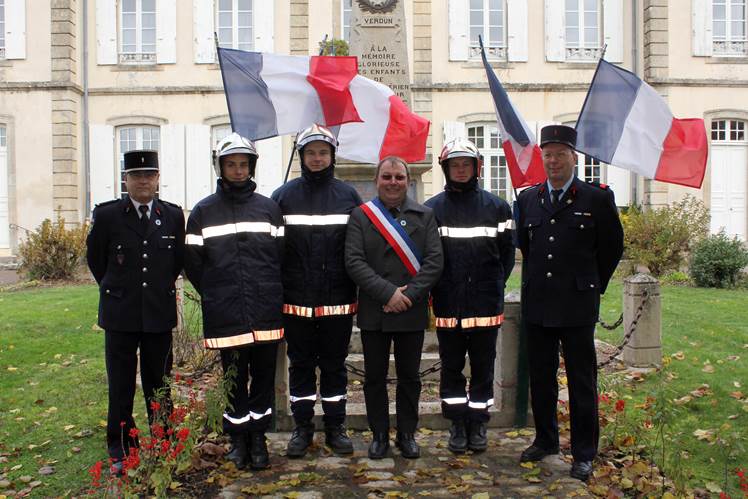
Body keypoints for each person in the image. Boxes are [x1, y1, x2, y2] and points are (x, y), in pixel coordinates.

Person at [516, 125, 624, 481]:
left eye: (560, 154)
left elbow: (611, 248)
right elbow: (527, 247)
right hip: (539, 304)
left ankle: (583, 453)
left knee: (581, 382)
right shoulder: (528, 199)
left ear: (573, 157)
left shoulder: (596, 199)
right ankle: (546, 440)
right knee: (541, 378)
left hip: (577, 305)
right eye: (548, 155)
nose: (553, 161)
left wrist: (590, 284)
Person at [184, 133, 284, 471]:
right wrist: (216, 291)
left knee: (263, 378)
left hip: (265, 309)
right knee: (234, 378)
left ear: (251, 167)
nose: (238, 170)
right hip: (226, 310)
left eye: (243, 164)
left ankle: (259, 439)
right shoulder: (203, 212)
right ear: (221, 168)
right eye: (231, 164)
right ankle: (238, 439)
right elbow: (193, 263)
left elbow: (280, 257)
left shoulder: (269, 209)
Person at [86, 150, 185, 474]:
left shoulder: (172, 216)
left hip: (158, 312)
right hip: (120, 314)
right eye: (136, 175)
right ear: (125, 180)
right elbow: (97, 261)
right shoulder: (108, 216)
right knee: (121, 384)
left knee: (160, 384)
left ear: (157, 179)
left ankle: (164, 439)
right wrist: (117, 289)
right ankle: (121, 447)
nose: (143, 181)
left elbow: (176, 262)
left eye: (149, 175)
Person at [271, 124, 362, 458]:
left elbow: (357, 249)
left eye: (323, 152)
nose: (317, 158)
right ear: (301, 156)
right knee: (301, 367)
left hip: (337, 301)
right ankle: (302, 428)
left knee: (335, 367)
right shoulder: (283, 197)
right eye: (311, 153)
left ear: (332, 156)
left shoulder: (348, 196)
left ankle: (336, 428)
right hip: (296, 301)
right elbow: (273, 251)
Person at [345, 156, 443, 459]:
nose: (393, 182)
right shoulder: (361, 216)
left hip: (410, 310)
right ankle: (378, 435)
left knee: (410, 377)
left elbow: (434, 262)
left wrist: (407, 296)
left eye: (399, 177)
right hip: (375, 309)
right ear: (377, 180)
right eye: (386, 176)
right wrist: (388, 293)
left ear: (408, 181)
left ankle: (406, 434)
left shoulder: (425, 216)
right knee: (374, 378)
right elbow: (354, 261)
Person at [424, 138, 515, 454]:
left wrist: (493, 285)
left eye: (466, 164)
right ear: (446, 169)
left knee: (483, 368)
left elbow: (506, 257)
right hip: (447, 303)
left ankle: (478, 424)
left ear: (477, 168)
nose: (460, 170)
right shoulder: (432, 209)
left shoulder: (498, 208)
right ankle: (457, 425)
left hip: (485, 304)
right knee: (451, 367)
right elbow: (429, 257)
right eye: (455, 165)